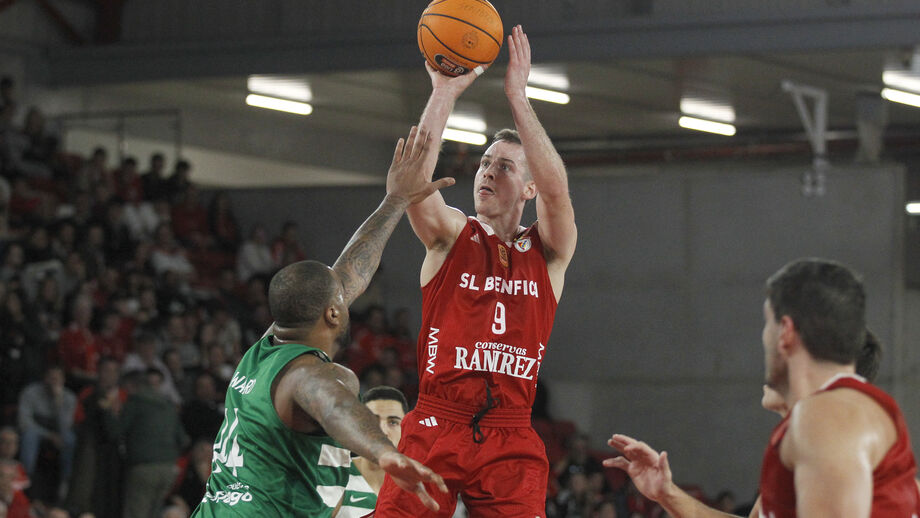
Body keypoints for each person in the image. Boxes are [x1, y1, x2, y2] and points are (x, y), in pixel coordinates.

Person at [190, 127, 451, 518]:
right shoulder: (309, 374)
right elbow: (335, 406)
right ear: (332, 313)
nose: (347, 297)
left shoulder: (262, 354)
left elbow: (346, 274)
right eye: (340, 300)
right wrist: (384, 452)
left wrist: (396, 200)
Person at [375, 26, 577, 518]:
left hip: (511, 429)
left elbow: (557, 192)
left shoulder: (549, 251)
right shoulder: (453, 235)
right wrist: (444, 91)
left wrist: (518, 98)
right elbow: (414, 183)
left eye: (504, 167)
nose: (487, 171)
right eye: (485, 162)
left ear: (528, 188)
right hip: (438, 419)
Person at [605, 259, 920, 517]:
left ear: (785, 332)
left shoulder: (827, 416)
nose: (763, 338)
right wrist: (668, 494)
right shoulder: (821, 418)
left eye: (767, 324)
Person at [334, 386, 408, 518]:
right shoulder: (335, 475)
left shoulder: (423, 486)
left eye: (393, 422)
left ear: (407, 428)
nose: (382, 431)